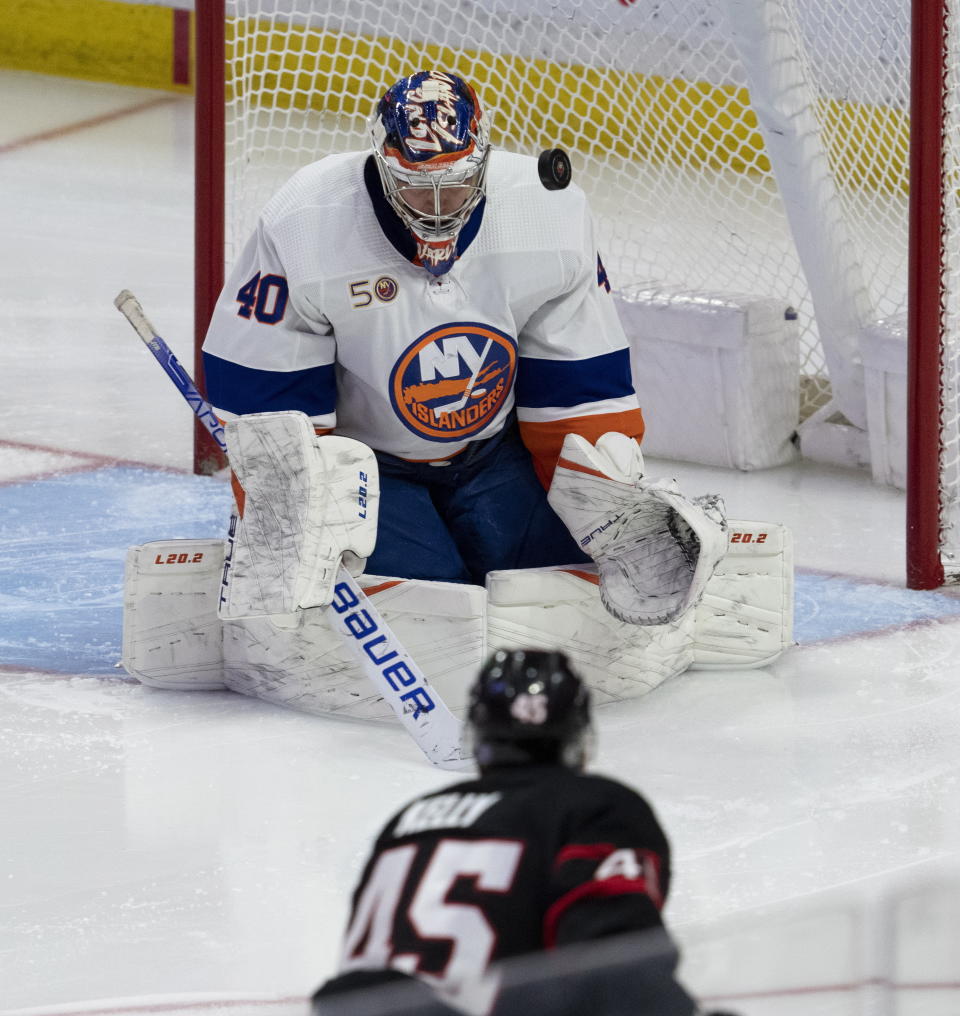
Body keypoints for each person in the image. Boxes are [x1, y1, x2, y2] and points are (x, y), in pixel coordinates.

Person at [201, 69, 645, 586]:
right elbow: (266, 396)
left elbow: (579, 391)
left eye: (455, 187)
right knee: (429, 594)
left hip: (495, 453)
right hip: (365, 468)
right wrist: (290, 505)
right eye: (416, 188)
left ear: (484, 165)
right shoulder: (307, 220)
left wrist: (604, 500)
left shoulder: (547, 211)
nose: (437, 210)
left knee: (561, 570)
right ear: (382, 165)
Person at [311, 649, 701, 1016]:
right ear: (578, 736)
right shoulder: (595, 806)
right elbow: (615, 962)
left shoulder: (407, 821)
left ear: (480, 735)